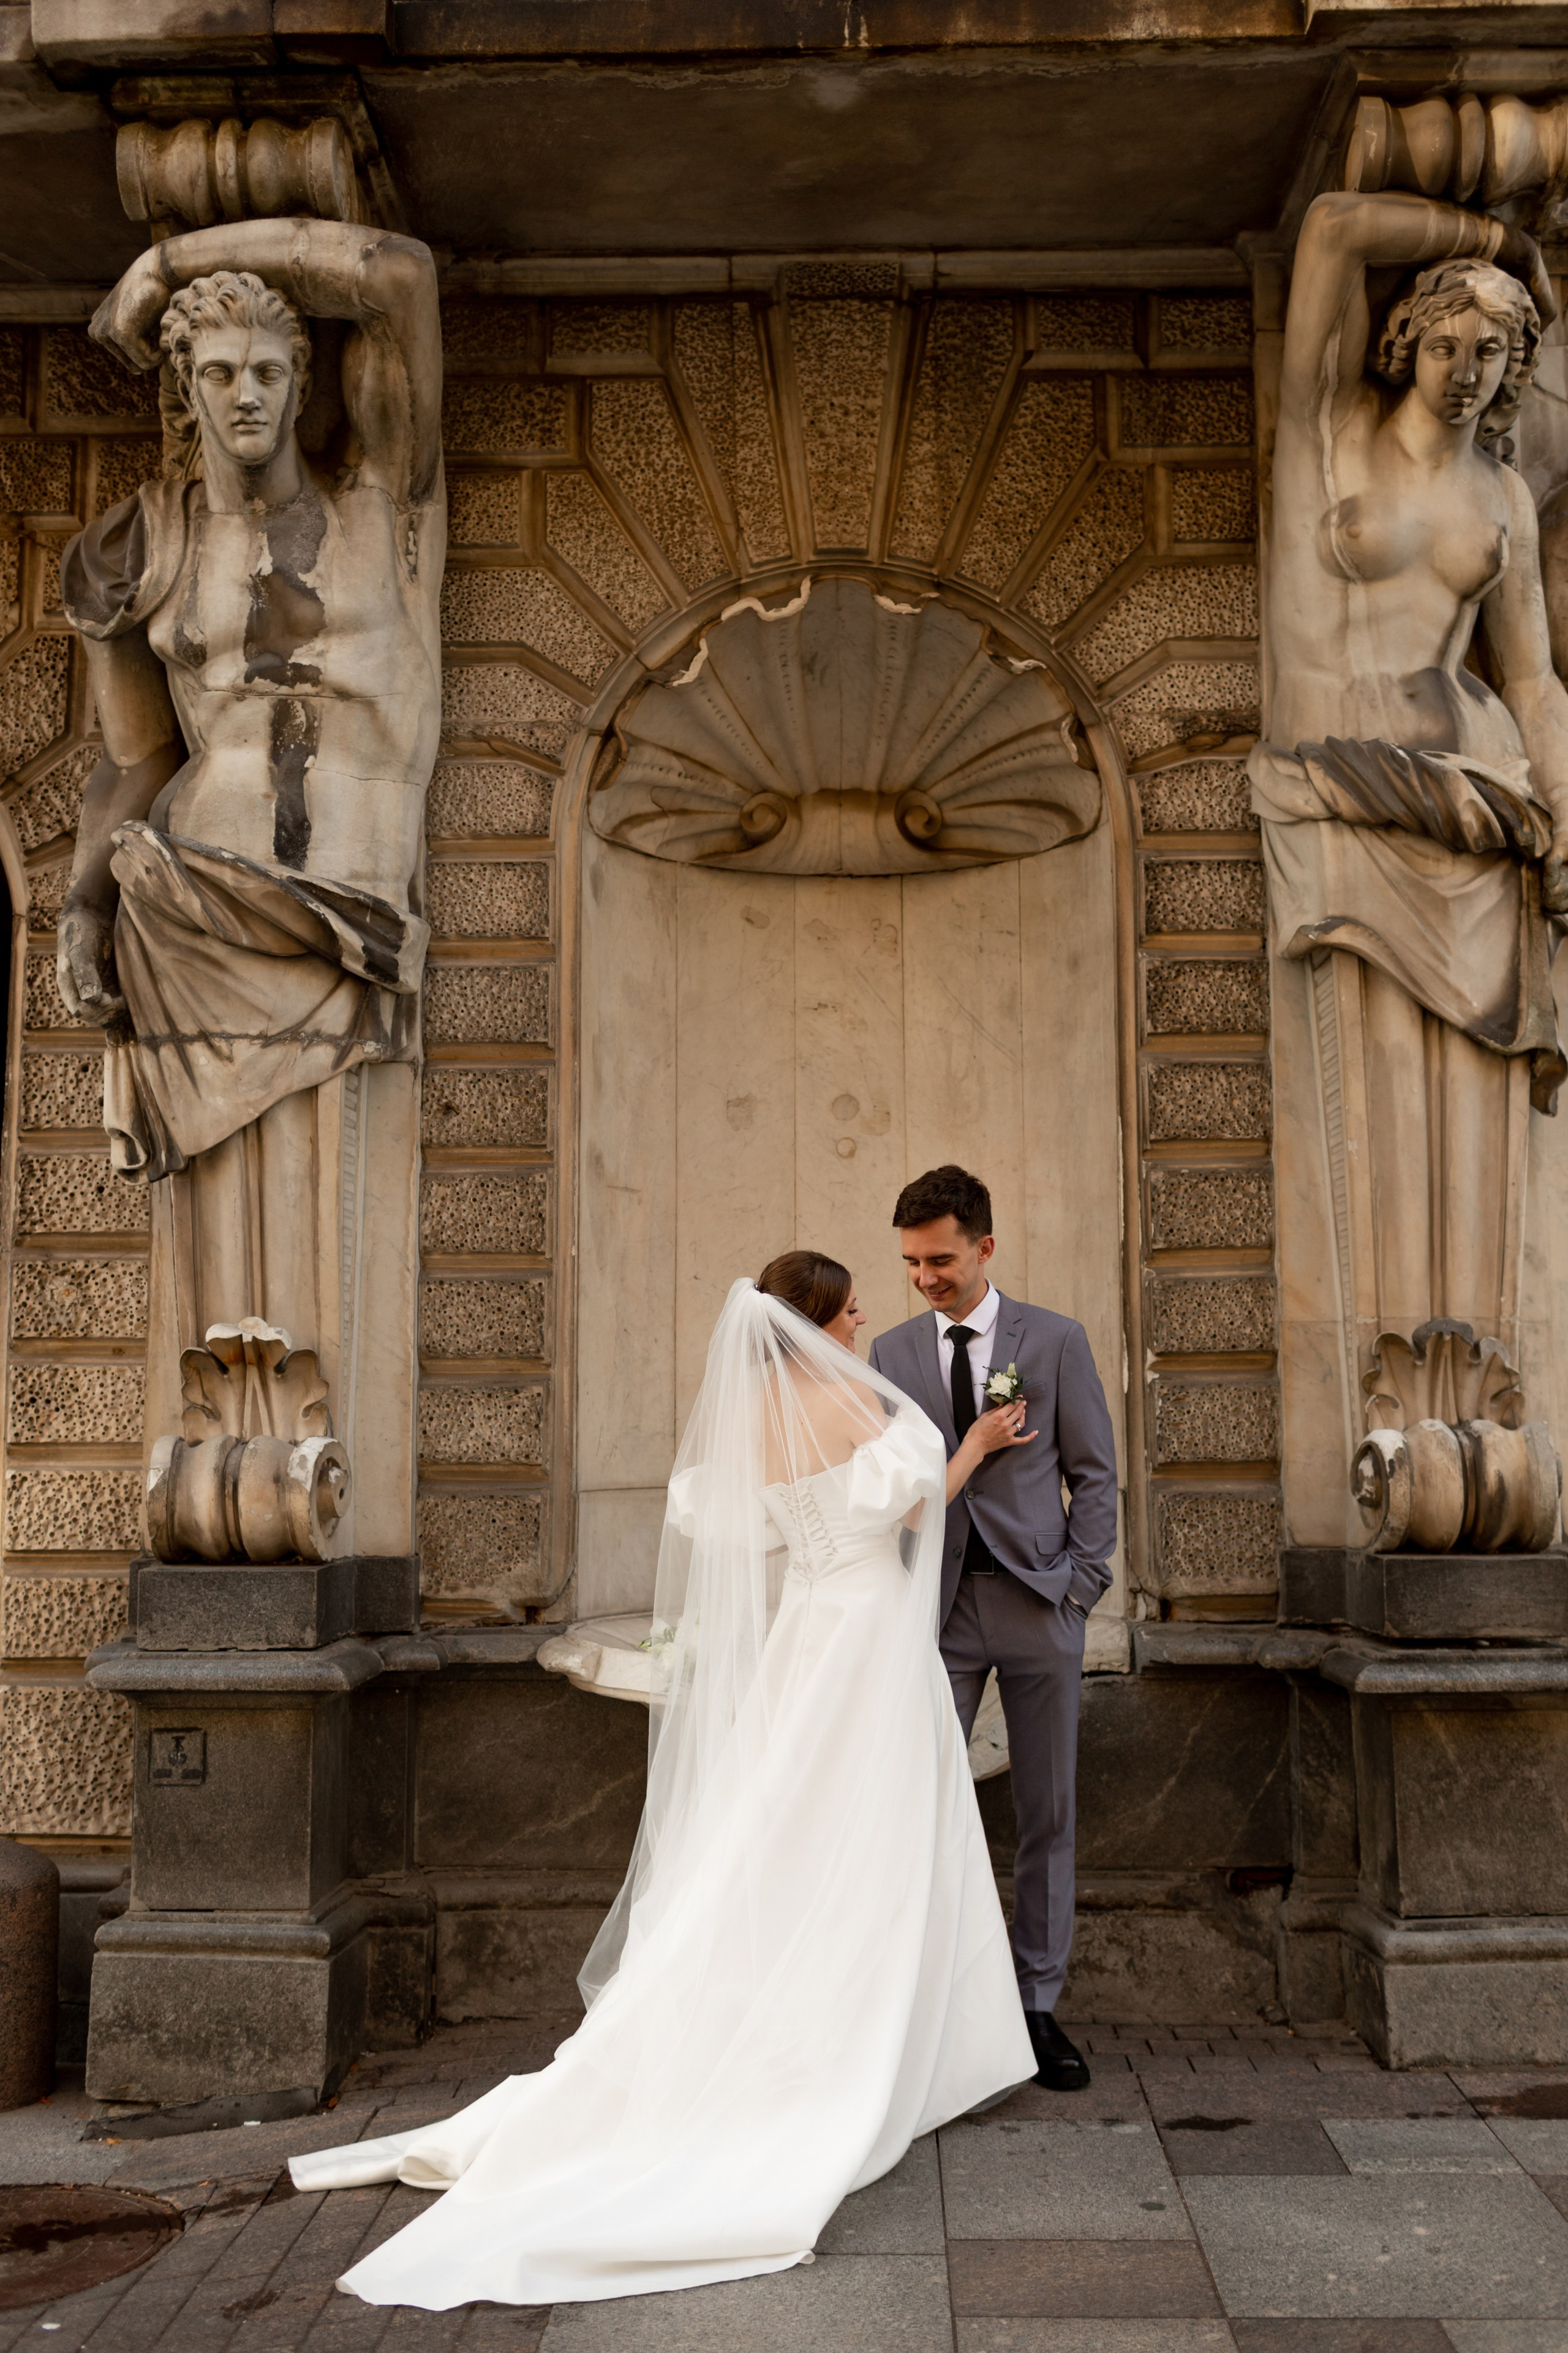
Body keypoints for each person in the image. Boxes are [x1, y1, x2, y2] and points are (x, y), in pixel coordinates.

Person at [289, 1252, 1033, 2310]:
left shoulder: (755, 1417)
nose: (865, 1309)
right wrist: (975, 1445)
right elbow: (920, 1515)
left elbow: (752, 1534)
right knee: (878, 1831)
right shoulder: (858, 1406)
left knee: (787, 1829)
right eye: (848, 1300)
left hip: (808, 1631)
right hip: (867, 1636)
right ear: (816, 1316)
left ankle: (799, 2015)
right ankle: (887, 2043)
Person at [1251, 189, 1568, 1405]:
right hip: (1344, 784)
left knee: (1473, 1099)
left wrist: (1560, 811)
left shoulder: (1500, 499)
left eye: (1491, 352)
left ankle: (1476, 1395)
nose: (1463, 370)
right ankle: (1392, 1395)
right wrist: (1504, 244)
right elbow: (1334, 225)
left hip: (1478, 800)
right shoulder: (1325, 431)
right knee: (1373, 1083)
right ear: (1405, 340)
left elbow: (1531, 676)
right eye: (1444, 342)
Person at [869, 1166, 1118, 2092]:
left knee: (1047, 1811)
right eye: (911, 1263)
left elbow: (1094, 1473)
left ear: (985, 1247)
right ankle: (937, 2005)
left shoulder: (1053, 1340)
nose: (925, 1277)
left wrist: (1080, 1588)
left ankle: (1036, 2006)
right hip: (937, 1612)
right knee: (925, 1808)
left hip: (1040, 1604)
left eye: (940, 1259)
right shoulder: (891, 1353)